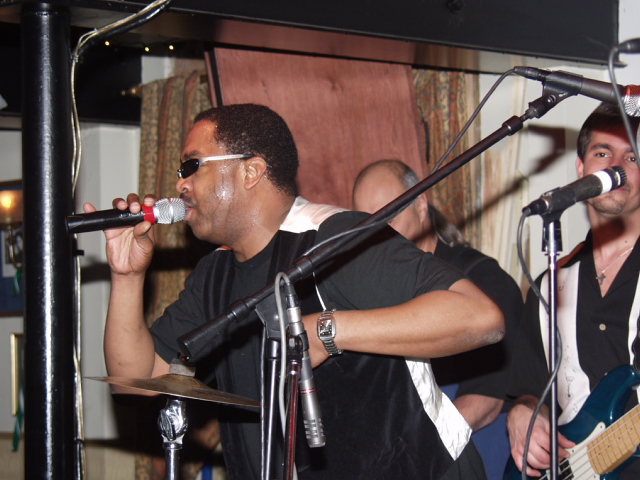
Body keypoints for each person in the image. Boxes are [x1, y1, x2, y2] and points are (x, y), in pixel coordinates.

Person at [89, 103, 505, 480]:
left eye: (191, 166)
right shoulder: (213, 276)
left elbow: (479, 317)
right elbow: (135, 383)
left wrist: (327, 330)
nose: (180, 184)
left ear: (251, 171)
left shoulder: (334, 238)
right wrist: (127, 276)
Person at [352, 159, 524, 479]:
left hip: (475, 447)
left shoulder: (483, 282)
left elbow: (486, 400)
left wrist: (415, 453)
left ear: (421, 205)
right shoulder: (370, 293)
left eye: (389, 217)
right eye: (368, 223)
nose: (377, 234)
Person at [506, 102, 640, 480]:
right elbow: (531, 388)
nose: (616, 166)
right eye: (603, 153)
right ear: (581, 169)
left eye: (632, 157)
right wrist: (523, 412)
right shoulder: (550, 285)